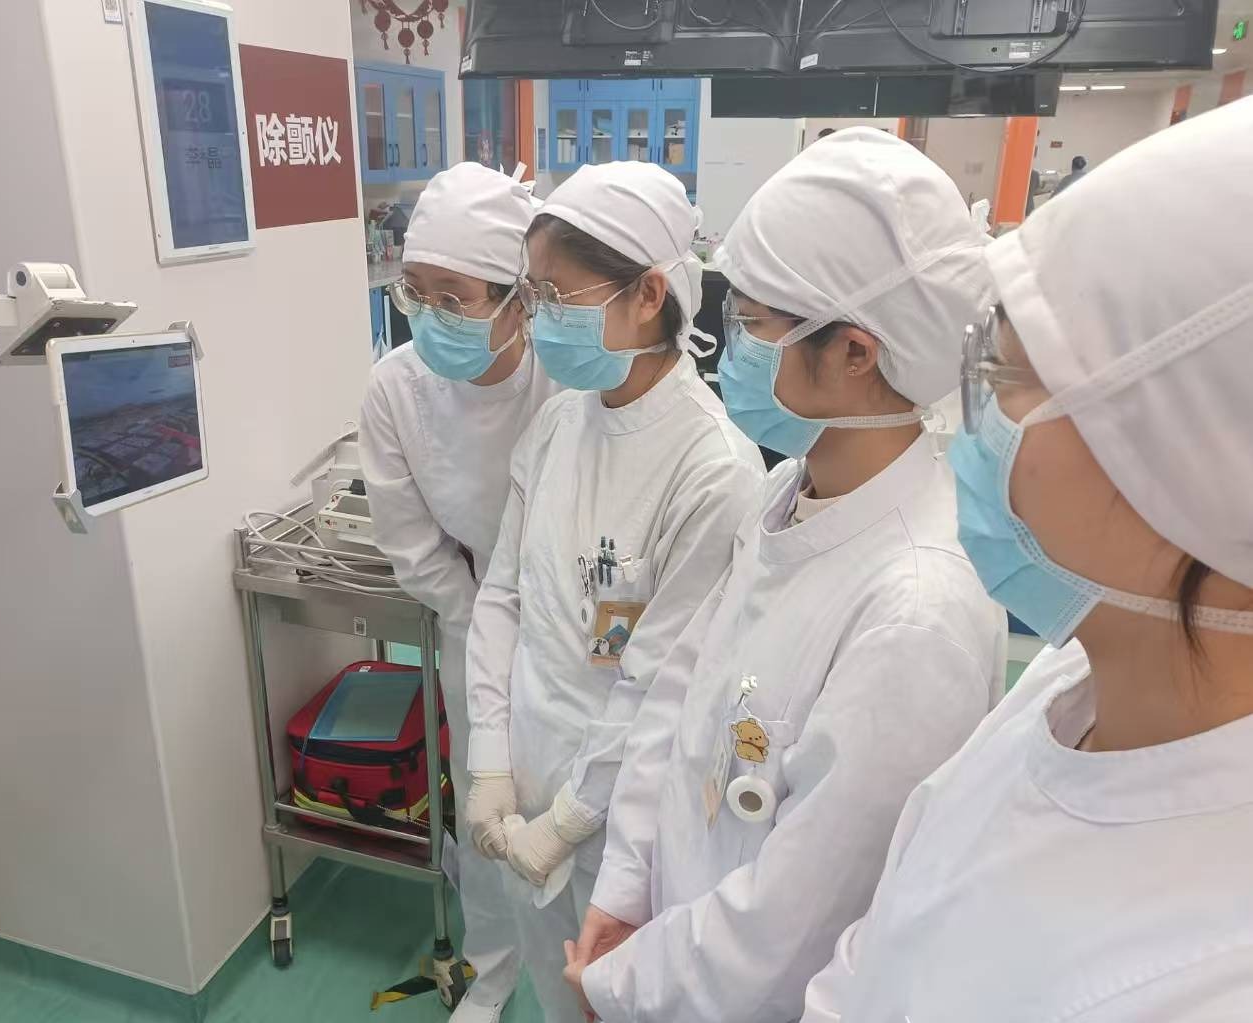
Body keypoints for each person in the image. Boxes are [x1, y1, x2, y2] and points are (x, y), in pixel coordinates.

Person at [803, 96, 1253, 1023]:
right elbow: (880, 945)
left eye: (1008, 379)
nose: (970, 423)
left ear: (1186, 458)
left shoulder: (1210, 977)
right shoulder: (1072, 685)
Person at [561, 128, 1008, 1023]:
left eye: (755, 325)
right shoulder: (786, 493)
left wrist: (623, 982)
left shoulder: (917, 609)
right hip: (668, 948)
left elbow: (794, 925)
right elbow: (680, 698)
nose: (730, 349)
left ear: (855, 352)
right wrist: (622, 892)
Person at [463, 161, 767, 1023]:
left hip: (625, 823)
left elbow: (659, 682)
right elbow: (503, 595)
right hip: (525, 776)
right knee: (546, 984)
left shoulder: (713, 469)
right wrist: (490, 759)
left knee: (613, 1000)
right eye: (533, 293)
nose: (539, 317)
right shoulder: (560, 419)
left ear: (648, 295)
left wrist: (567, 819)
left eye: (557, 296)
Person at [358, 162, 559, 1023]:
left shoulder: (564, 377)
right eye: (417, 291)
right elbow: (410, 540)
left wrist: (543, 625)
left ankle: (583, 976)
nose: (431, 314)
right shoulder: (396, 389)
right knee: (486, 813)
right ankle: (492, 970)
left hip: (576, 621)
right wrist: (486, 626)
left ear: (519, 301)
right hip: (470, 613)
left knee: (574, 810)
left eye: (456, 297)